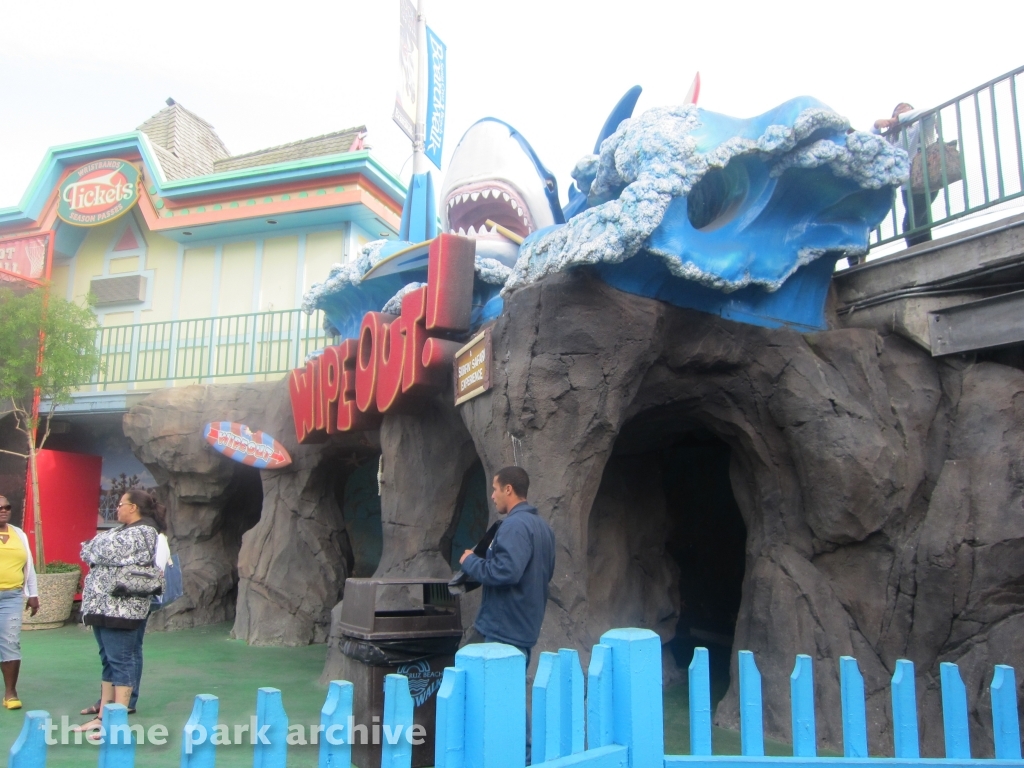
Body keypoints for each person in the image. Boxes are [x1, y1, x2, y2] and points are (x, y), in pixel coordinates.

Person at [74, 490, 164, 732]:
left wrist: (95, 546)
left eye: (121, 504)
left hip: (122, 609)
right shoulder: (119, 531)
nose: (117, 508)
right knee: (109, 660)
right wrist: (94, 547)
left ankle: (116, 720)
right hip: (104, 607)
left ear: (133, 507)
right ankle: (105, 712)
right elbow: (87, 548)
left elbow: (101, 550)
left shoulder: (144, 531)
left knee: (121, 659)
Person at [459, 466, 555, 667]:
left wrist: (470, 561)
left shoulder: (514, 525)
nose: (492, 496)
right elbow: (547, 573)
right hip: (523, 631)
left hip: (503, 633)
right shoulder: (543, 527)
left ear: (508, 489)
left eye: (495, 489)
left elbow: (505, 572)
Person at [874, 102, 940, 248]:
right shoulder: (890, 138)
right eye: (896, 113)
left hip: (926, 179)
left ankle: (916, 252)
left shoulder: (921, 127)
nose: (900, 115)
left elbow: (929, 110)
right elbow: (869, 141)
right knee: (921, 219)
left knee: (911, 222)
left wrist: (898, 118)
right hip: (907, 186)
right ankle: (927, 249)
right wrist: (876, 126)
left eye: (905, 113)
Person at [0, 496, 39, 710]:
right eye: (0, 508)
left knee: (10, 641)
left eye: (7, 507)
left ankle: (10, 693)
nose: (4, 510)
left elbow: (29, 566)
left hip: (12, 596)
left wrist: (33, 594)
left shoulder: (19, 534)